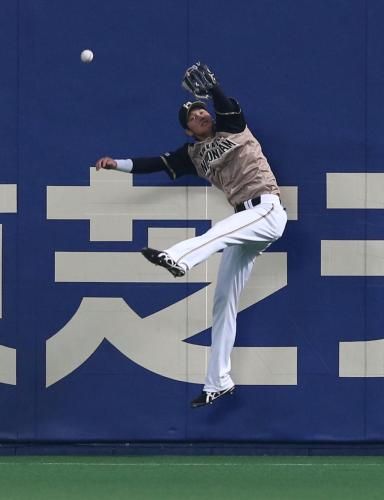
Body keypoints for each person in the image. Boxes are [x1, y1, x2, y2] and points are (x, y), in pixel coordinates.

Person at [95, 62, 287, 409]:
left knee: (219, 233)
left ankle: (179, 258)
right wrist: (117, 164)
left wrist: (213, 89)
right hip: (246, 221)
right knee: (223, 301)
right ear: (188, 130)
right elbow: (153, 163)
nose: (201, 115)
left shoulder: (231, 124)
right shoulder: (192, 155)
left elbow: (223, 103)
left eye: (202, 110)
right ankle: (218, 381)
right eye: (194, 116)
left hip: (267, 210)